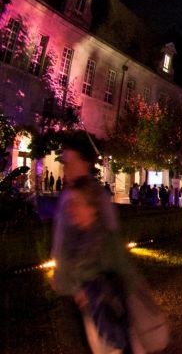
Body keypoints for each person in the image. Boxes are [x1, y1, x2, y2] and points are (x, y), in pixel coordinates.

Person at [50, 132, 168, 353]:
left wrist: (81, 285)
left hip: (95, 292)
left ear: (83, 162)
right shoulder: (73, 194)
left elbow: (111, 249)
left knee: (112, 341)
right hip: (82, 290)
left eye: (69, 161)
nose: (65, 167)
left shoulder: (92, 198)